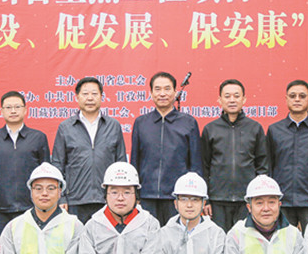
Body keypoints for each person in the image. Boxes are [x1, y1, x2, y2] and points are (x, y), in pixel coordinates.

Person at [52, 77, 126, 224]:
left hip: (107, 200)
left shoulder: (113, 126)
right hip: (75, 201)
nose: (90, 98)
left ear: (101, 97)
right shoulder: (66, 127)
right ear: (77, 97)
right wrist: (61, 198)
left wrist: (119, 196)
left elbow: (121, 163)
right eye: (85, 94)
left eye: (94, 94)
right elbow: (57, 165)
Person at [131, 71, 202, 225]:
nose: (162, 93)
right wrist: (135, 195)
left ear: (175, 92)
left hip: (179, 196)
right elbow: (135, 161)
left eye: (167, 89)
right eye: (157, 89)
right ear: (151, 93)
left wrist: (195, 195)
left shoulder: (188, 123)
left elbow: (196, 163)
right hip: (147, 196)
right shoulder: (141, 123)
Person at [200, 79, 268, 232]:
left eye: (236, 96)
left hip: (247, 200)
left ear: (244, 99)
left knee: (246, 241)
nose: (232, 100)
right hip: (218, 200)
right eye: (227, 96)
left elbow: (262, 166)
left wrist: (258, 198)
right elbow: (204, 166)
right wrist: (206, 199)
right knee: (219, 241)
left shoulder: (255, 128)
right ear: (220, 100)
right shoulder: (210, 129)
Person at [266, 80, 308, 231]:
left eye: (302, 96)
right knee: (283, 243)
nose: (297, 99)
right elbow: (268, 167)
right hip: (282, 201)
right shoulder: (274, 130)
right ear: (286, 99)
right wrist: (271, 199)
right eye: (293, 96)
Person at [0, 91, 50, 234]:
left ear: (25, 110)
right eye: (8, 107)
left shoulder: (38, 137)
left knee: (31, 245)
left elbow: (46, 175)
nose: (13, 111)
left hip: (32, 207)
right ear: (1, 111)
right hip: (1, 209)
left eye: (17, 107)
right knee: (5, 246)